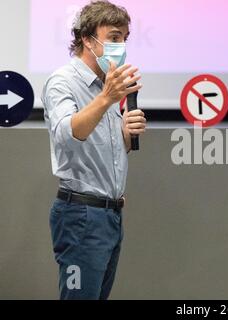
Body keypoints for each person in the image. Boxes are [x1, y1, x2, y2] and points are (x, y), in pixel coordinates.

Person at [41, 0, 146, 300]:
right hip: (81, 216)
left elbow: (97, 148)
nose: (121, 46)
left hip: (110, 216)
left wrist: (125, 134)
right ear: (87, 38)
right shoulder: (63, 81)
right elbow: (66, 135)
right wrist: (106, 98)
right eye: (114, 37)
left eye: (124, 39)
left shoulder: (106, 85)